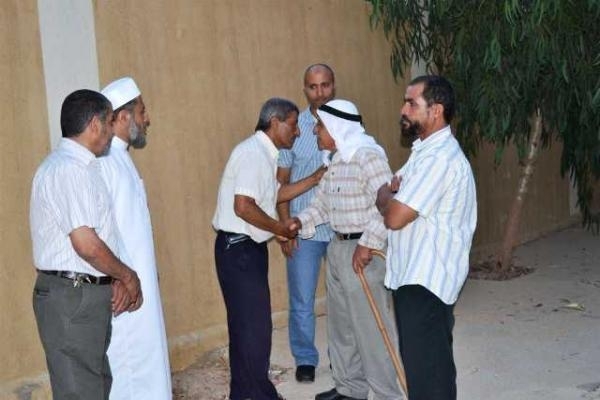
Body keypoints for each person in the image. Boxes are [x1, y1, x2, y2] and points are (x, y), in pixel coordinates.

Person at [30, 89, 142, 400]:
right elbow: (87, 245)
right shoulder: (68, 169)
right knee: (82, 392)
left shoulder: (83, 167)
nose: (111, 131)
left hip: (83, 293)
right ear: (94, 124)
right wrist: (127, 276)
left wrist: (112, 277)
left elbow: (101, 236)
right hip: (72, 296)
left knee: (94, 386)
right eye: (109, 122)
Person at [292, 100, 402, 400]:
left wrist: (368, 244)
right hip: (338, 248)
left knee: (371, 328)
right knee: (342, 327)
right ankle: (350, 389)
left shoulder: (368, 157)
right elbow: (322, 206)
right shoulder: (336, 161)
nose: (315, 130)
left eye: (320, 125)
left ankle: (387, 394)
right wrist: (298, 222)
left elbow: (388, 207)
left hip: (363, 251)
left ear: (337, 127)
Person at [376, 75, 477, 400]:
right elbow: (393, 197)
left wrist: (386, 197)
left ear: (436, 110)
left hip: (427, 283)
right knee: (425, 376)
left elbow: (394, 216)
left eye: (411, 103)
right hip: (413, 278)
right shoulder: (424, 151)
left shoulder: (439, 159)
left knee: (429, 379)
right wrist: (390, 196)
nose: (403, 110)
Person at [212, 97, 303, 400]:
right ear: (275, 122)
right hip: (240, 250)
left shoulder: (264, 153)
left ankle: (242, 394)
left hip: (244, 250)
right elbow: (244, 206)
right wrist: (280, 229)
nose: (297, 132)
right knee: (255, 333)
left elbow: (277, 194)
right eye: (293, 125)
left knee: (245, 330)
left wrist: (316, 178)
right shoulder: (253, 154)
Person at [98, 77, 172, 399]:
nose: (147, 119)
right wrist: (119, 278)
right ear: (123, 117)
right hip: (125, 292)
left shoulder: (121, 157)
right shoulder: (105, 162)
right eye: (142, 112)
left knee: (148, 365)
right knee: (130, 370)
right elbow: (103, 229)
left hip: (139, 286)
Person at [277, 63, 335, 383]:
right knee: (302, 299)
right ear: (305, 90)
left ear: (333, 86)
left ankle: (342, 358)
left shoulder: (347, 123)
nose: (320, 92)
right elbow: (281, 184)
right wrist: (285, 228)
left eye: (325, 85)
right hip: (303, 228)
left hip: (340, 228)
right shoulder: (294, 127)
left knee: (342, 298)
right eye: (313, 86)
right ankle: (305, 359)